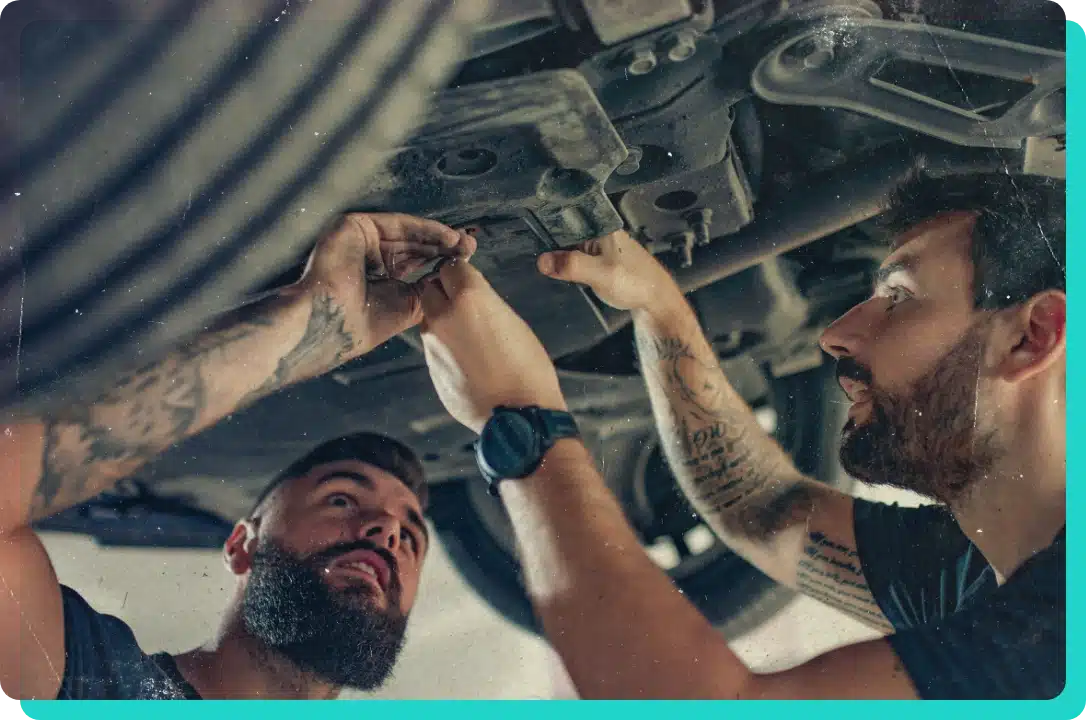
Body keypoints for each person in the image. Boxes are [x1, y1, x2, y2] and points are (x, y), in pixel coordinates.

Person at [418, 170, 1065, 699]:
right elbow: (760, 507)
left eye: (898, 295)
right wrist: (660, 309)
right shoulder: (970, 572)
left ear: (1031, 337)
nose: (836, 334)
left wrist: (521, 421)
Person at [0, 212, 476, 700]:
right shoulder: (96, 685)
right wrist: (309, 325)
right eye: (341, 500)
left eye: (413, 539)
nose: (388, 531)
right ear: (241, 545)